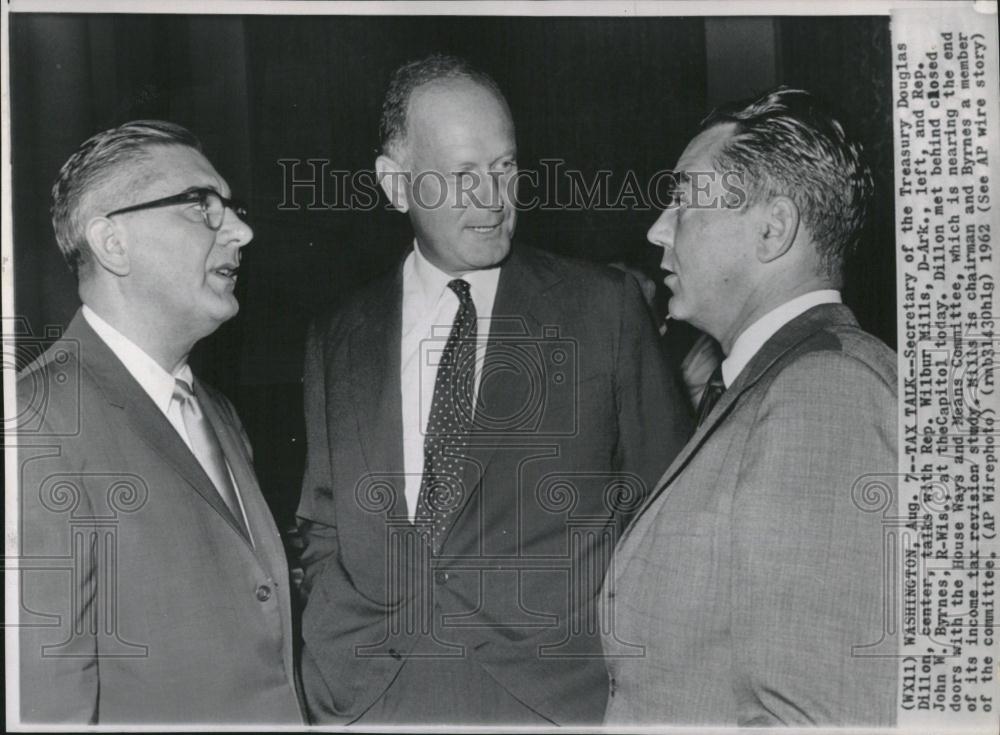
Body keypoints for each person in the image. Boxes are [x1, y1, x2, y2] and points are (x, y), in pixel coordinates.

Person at [296, 54, 691, 726]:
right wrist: (336, 664)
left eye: (504, 168)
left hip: (551, 701)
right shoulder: (338, 335)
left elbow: (673, 522)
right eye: (460, 176)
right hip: (369, 699)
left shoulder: (603, 308)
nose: (491, 200)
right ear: (396, 184)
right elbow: (323, 520)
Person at [602, 88, 897, 726]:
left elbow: (819, 714)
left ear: (772, 228)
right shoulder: (772, 383)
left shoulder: (824, 394)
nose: (658, 228)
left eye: (684, 199)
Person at [15, 121, 304, 725]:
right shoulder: (35, 425)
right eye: (202, 205)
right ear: (112, 242)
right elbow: (46, 705)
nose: (242, 231)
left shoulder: (217, 413)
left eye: (232, 207)